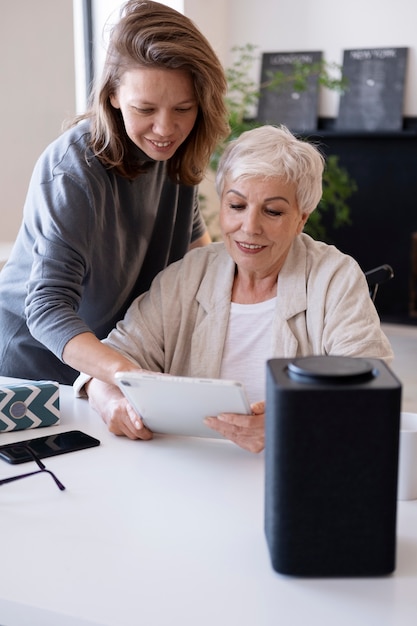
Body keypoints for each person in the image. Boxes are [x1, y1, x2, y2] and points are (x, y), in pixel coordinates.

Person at [76, 124, 393, 453]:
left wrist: (290, 424)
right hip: (191, 466)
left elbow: (372, 389)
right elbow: (113, 359)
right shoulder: (188, 274)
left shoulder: (334, 278)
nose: (250, 228)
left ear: (302, 218)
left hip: (295, 466)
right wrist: (108, 399)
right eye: (237, 206)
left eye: (273, 211)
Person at [0, 0, 229, 384]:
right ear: (112, 96)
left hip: (110, 361)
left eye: (183, 108)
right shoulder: (73, 172)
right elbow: (47, 309)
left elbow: (199, 264)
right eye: (145, 109)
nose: (165, 128)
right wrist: (130, 376)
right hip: (30, 370)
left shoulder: (176, 158)